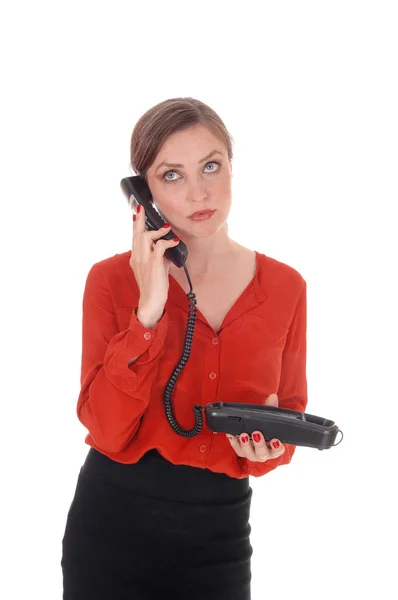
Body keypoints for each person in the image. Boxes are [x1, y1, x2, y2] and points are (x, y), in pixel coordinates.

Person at [60, 97, 308, 600]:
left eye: (211, 166)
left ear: (232, 169)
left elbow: (288, 412)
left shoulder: (286, 286)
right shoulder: (110, 281)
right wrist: (147, 312)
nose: (199, 191)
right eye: (171, 175)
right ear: (142, 194)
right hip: (113, 524)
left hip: (221, 532)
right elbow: (104, 426)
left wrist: (265, 451)